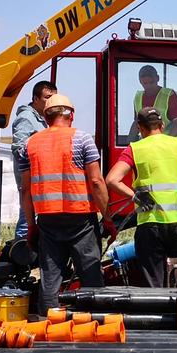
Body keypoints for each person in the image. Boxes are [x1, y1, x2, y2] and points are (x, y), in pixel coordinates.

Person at [106, 106, 177, 286]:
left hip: (150, 225)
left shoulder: (135, 149)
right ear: (162, 125)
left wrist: (136, 196)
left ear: (140, 128)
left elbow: (112, 180)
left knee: (153, 285)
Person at [25, 94, 109, 310]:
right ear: (71, 115)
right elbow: (96, 182)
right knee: (90, 274)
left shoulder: (31, 143)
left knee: (50, 278)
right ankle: (94, 321)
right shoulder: (82, 139)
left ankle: (47, 321)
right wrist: (108, 218)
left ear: (46, 117)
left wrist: (31, 225)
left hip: (47, 219)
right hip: (81, 219)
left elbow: (25, 189)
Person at [11, 79, 55, 239]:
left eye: (53, 97)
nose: (51, 102)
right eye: (47, 97)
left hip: (37, 177)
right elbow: (19, 149)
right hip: (29, 178)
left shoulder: (41, 119)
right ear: (36, 99)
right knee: (27, 215)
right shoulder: (26, 118)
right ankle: (21, 246)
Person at [128, 64, 177, 137]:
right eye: (145, 83)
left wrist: (166, 141)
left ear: (158, 78)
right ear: (140, 81)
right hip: (147, 141)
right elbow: (136, 123)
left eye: (151, 83)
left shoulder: (169, 95)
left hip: (167, 140)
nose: (148, 86)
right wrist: (129, 141)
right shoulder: (138, 97)